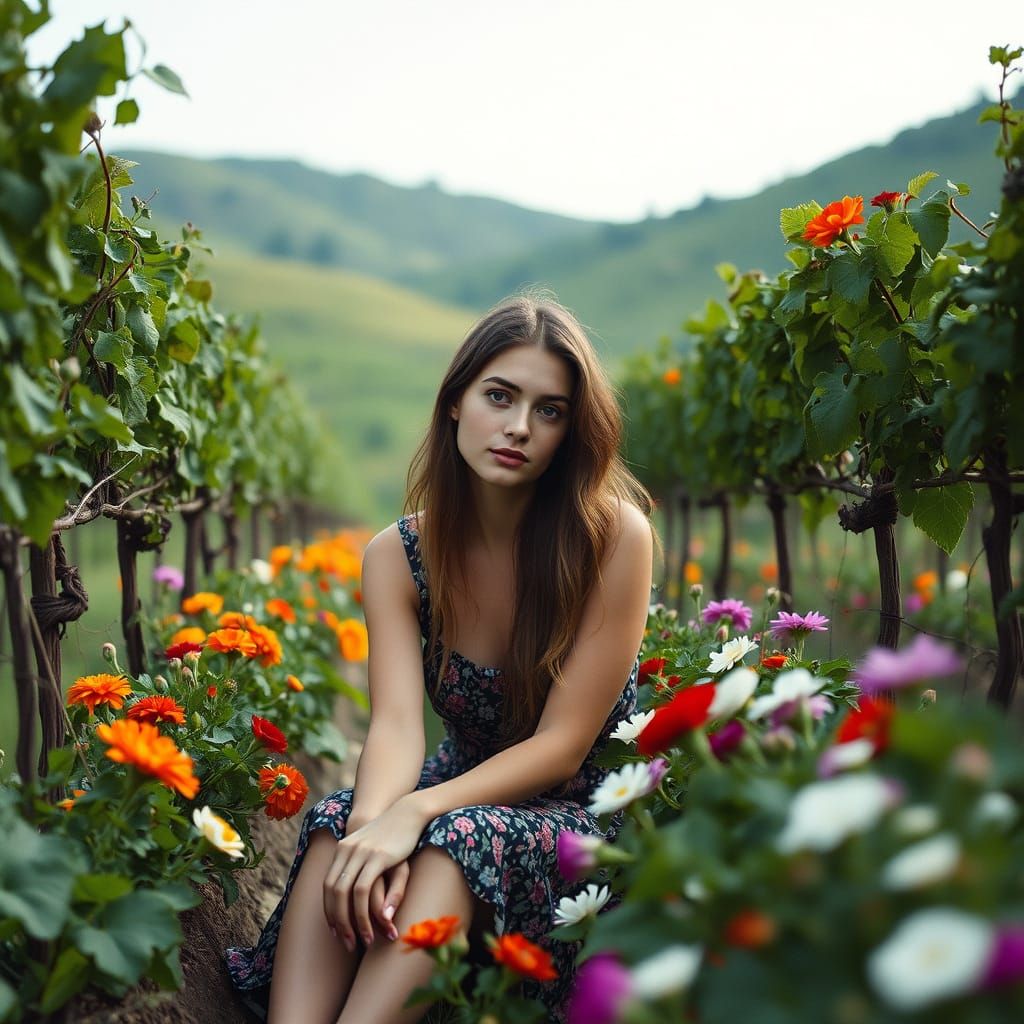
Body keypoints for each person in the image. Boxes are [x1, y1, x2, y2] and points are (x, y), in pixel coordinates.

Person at [225, 293, 655, 1023]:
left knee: (455, 838)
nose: (519, 426)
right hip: (466, 785)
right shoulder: (397, 555)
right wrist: (374, 832)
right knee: (340, 827)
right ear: (456, 401)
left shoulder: (613, 540)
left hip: (585, 815)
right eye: (500, 396)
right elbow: (394, 724)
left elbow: (561, 747)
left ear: (571, 431)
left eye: (549, 410)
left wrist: (416, 811)